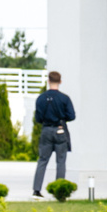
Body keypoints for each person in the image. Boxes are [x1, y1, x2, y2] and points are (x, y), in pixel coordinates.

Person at [30, 69, 76, 197]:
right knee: (61, 161)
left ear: (48, 81)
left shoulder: (41, 98)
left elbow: (38, 118)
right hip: (60, 129)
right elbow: (72, 116)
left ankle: (36, 190)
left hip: (46, 130)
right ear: (60, 81)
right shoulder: (64, 98)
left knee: (42, 160)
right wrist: (62, 118)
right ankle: (59, 190)